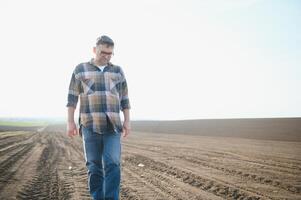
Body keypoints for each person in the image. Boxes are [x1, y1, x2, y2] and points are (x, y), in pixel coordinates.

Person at [66, 35, 131, 200]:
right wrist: (70, 122)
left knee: (113, 163)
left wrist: (127, 121)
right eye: (103, 52)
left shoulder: (117, 71)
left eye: (110, 53)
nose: (107, 56)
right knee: (94, 166)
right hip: (90, 125)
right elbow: (72, 97)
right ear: (94, 50)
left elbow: (125, 98)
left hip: (113, 127)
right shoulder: (80, 69)